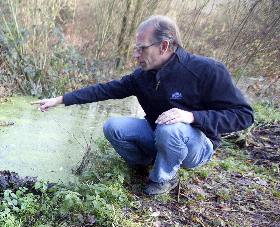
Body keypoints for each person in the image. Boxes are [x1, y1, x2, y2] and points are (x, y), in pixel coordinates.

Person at [37, 15, 254, 195]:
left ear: (164, 46)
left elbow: (244, 116)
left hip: (197, 145)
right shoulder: (142, 77)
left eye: (141, 48)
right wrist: (60, 100)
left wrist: (193, 117)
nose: (135, 55)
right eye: (135, 48)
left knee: (171, 128)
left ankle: (164, 179)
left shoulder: (208, 70)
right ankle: (146, 163)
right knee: (113, 127)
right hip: (158, 133)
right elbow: (104, 90)